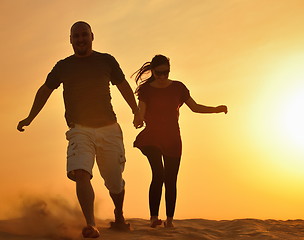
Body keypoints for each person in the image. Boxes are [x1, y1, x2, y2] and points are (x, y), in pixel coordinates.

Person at [17, 21, 140, 238]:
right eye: (76, 36)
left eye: (84, 35)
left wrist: (136, 111)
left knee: (114, 181)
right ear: (70, 40)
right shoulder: (63, 66)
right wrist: (29, 117)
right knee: (81, 172)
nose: (81, 39)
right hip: (79, 129)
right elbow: (44, 91)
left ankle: (118, 214)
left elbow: (123, 86)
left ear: (92, 36)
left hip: (109, 129)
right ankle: (91, 225)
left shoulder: (106, 61)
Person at [132, 54, 228, 228]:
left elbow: (195, 107)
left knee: (171, 179)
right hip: (152, 137)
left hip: (172, 138)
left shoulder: (178, 88)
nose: (162, 77)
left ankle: (169, 220)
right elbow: (141, 110)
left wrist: (216, 109)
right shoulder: (147, 90)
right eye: (159, 73)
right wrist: (138, 118)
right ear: (153, 71)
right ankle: (154, 218)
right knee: (158, 174)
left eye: (166, 73)